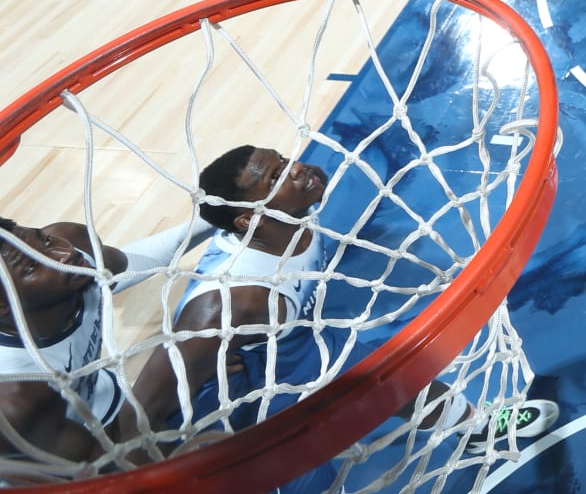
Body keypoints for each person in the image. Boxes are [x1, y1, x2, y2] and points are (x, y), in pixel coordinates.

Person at [125, 147, 556, 453]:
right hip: (234, 398)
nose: (297, 169)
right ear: (248, 219)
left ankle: (476, 426)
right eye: (275, 178)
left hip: (293, 347)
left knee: (396, 376)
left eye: (284, 161)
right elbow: (141, 412)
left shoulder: (288, 219)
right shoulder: (230, 302)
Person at [0, 216, 196, 462]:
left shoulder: (76, 254)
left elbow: (129, 265)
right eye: (32, 266)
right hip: (56, 455)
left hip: (107, 399)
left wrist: (211, 215)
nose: (65, 254)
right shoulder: (17, 394)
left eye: (46, 241)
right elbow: (97, 470)